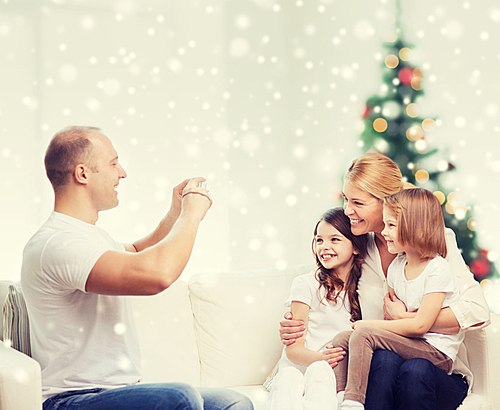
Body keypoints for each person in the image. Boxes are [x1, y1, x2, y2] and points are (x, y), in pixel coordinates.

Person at [21, 126, 253, 410]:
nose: (122, 173)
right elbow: (156, 275)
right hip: (72, 400)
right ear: (82, 174)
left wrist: (175, 213)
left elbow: (135, 253)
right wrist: (192, 215)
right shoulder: (57, 243)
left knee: (233, 403)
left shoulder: (87, 236)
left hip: (120, 391)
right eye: (113, 163)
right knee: (181, 398)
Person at [279, 152, 490, 410]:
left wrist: (408, 318)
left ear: (387, 201)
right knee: (384, 361)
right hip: (382, 367)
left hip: (432, 370)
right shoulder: (358, 246)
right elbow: (323, 283)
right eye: (346, 199)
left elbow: (477, 311)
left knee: (414, 370)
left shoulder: (434, 242)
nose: (348, 211)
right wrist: (296, 325)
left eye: (357, 202)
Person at [333, 188, 464, 410]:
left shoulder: (437, 269)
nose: (383, 232)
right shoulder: (397, 267)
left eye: (391, 225)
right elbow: (391, 320)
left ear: (415, 227)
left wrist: (366, 325)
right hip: (410, 344)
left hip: (435, 351)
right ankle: (338, 396)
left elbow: (420, 325)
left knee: (362, 334)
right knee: (342, 339)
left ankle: (353, 402)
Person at [266, 208, 367, 410]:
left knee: (321, 374)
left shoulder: (365, 288)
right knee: (289, 376)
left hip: (330, 375)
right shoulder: (306, 284)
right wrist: (322, 358)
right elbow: (293, 350)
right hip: (300, 367)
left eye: (334, 239)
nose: (324, 247)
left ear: (355, 247)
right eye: (319, 240)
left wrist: (325, 364)